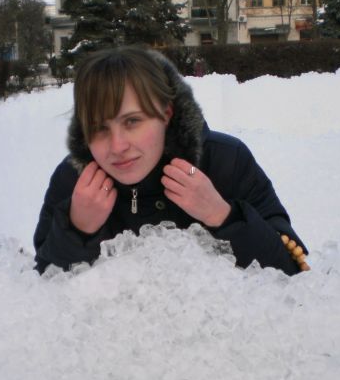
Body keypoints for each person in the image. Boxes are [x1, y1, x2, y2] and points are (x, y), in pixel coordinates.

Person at [33, 46, 308, 275]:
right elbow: (42, 293)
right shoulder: (73, 180)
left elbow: (291, 273)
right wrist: (76, 230)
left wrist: (223, 217)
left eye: (132, 121)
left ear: (166, 114)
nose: (117, 146)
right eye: (99, 128)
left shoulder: (225, 161)